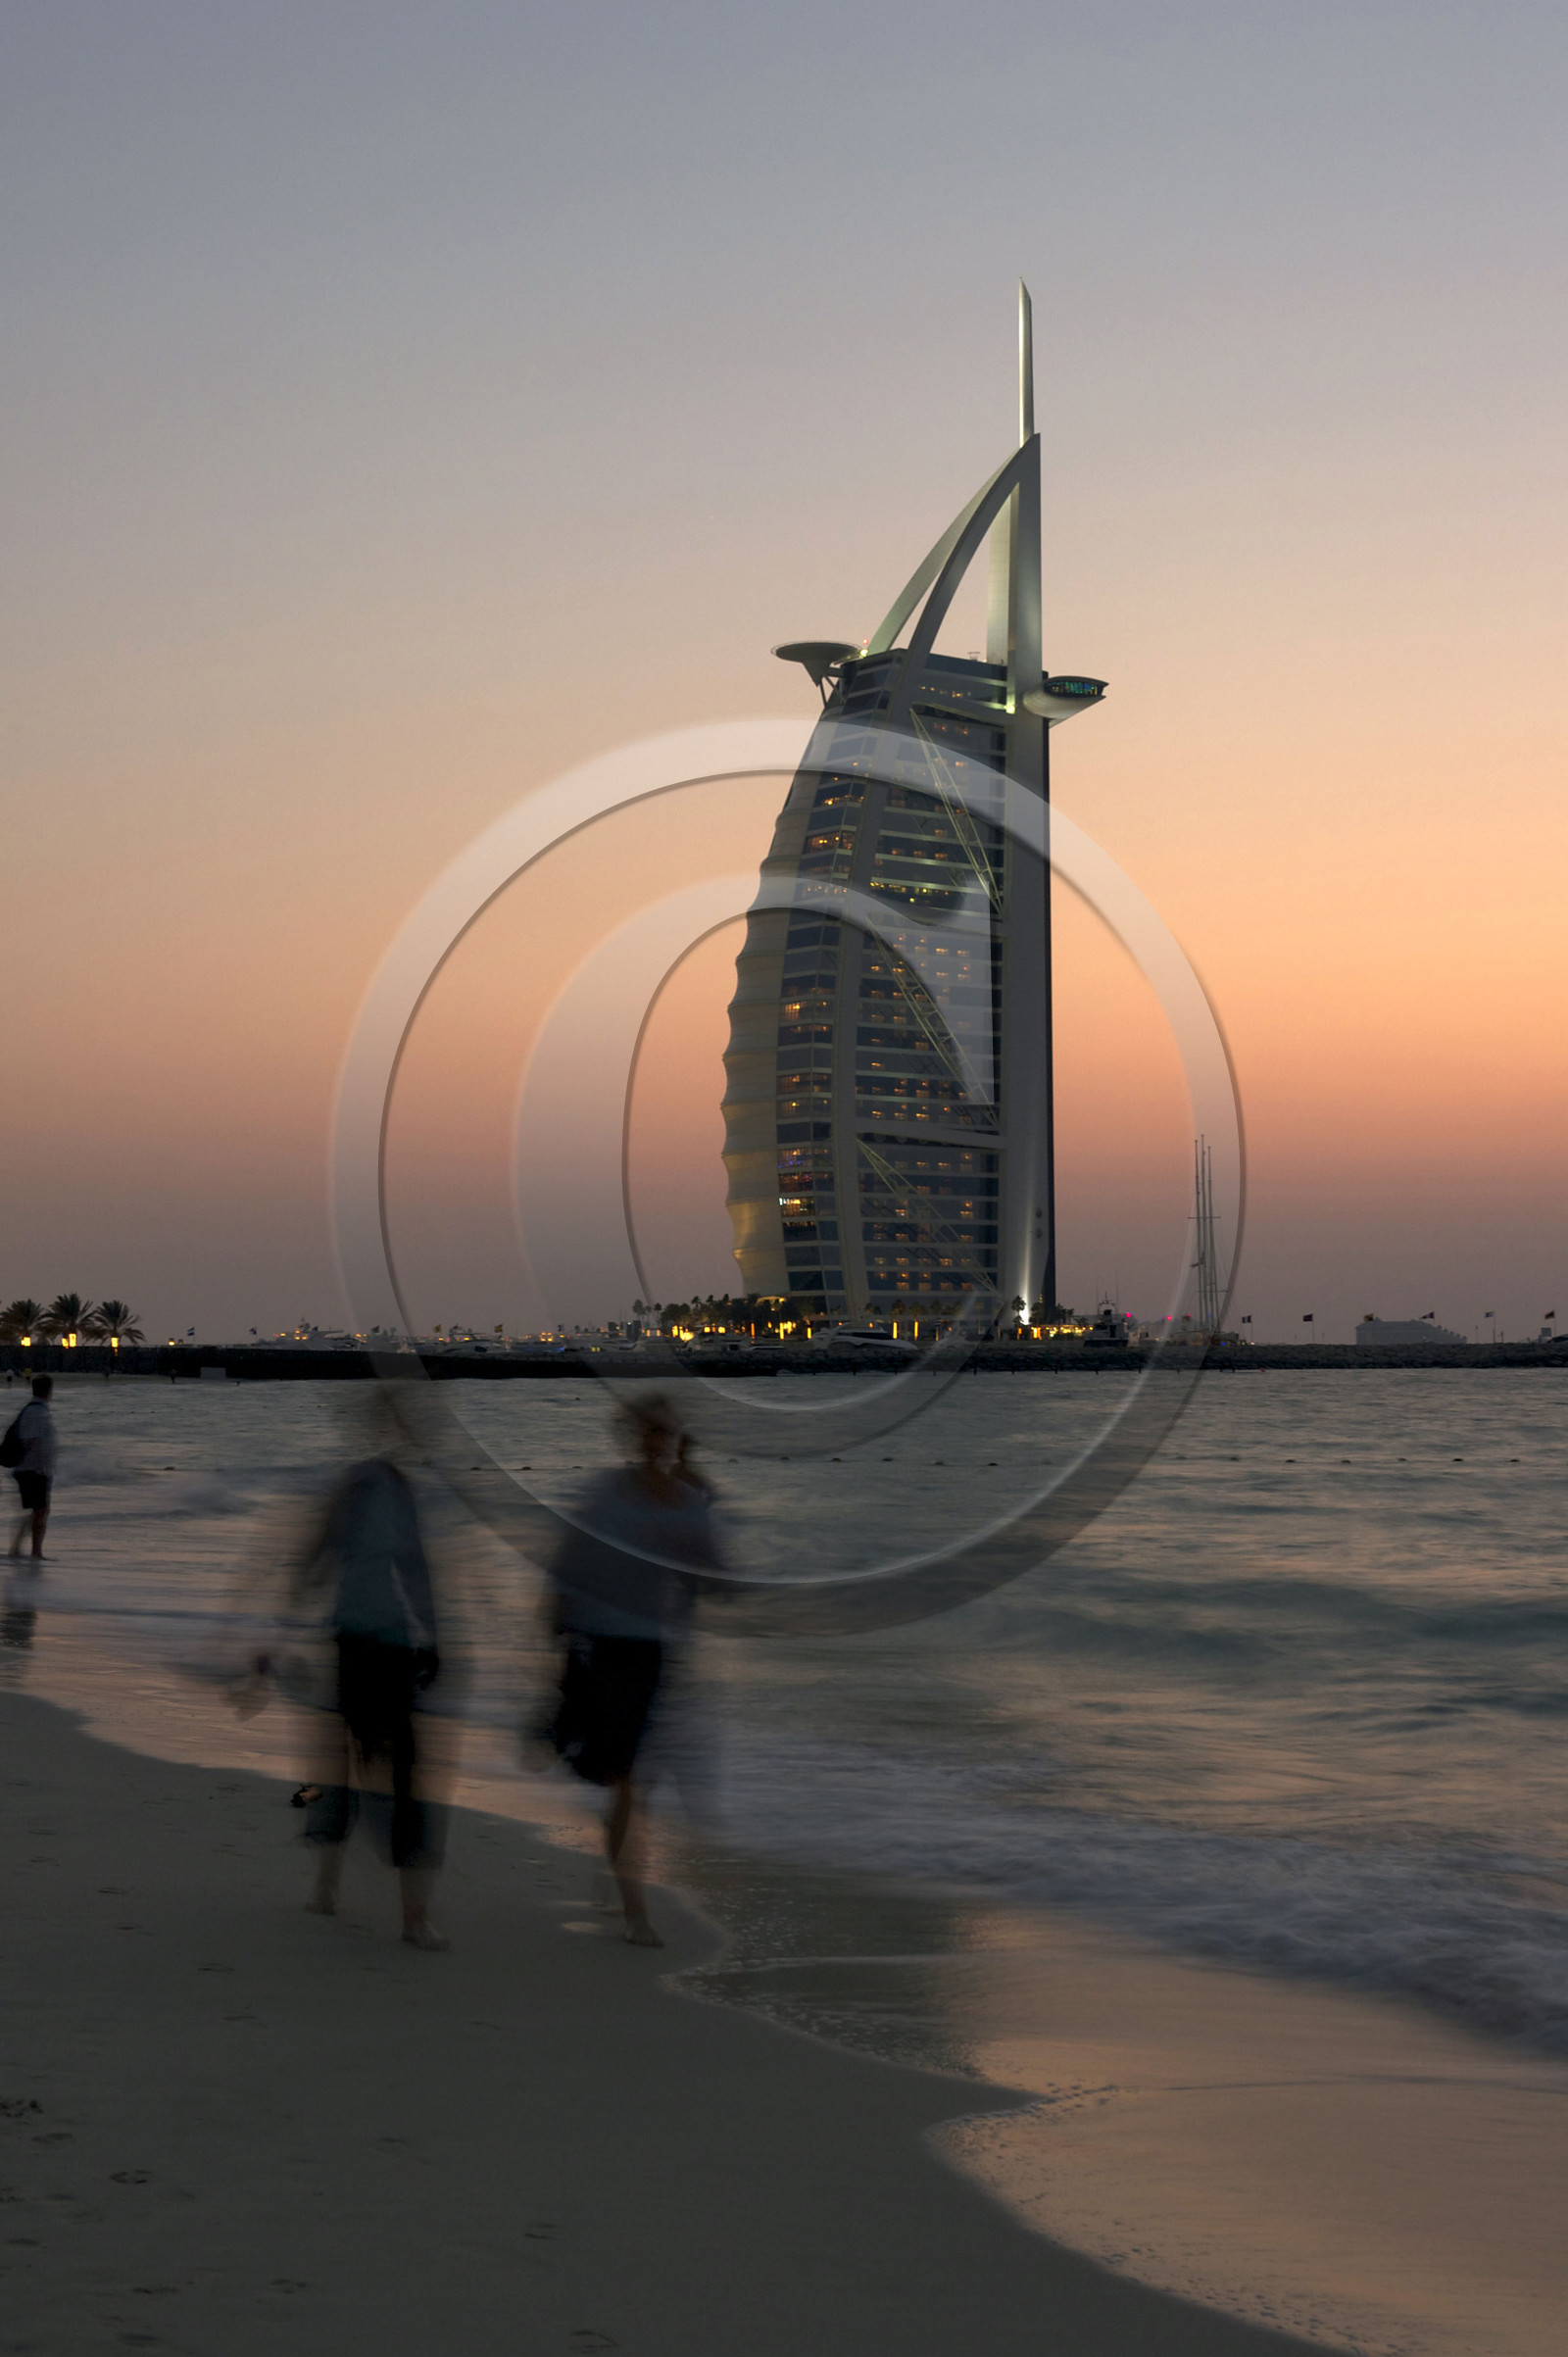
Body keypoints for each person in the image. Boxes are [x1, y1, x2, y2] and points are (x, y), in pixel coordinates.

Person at [543, 1394, 721, 1947]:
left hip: (654, 1651)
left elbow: (714, 1575)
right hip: (598, 1644)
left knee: (633, 1779)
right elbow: (567, 1563)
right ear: (632, 1436)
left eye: (663, 1432)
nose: (654, 1442)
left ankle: (623, 1884)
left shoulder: (688, 1501)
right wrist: (552, 1628)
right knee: (622, 1777)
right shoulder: (603, 1494)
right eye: (646, 1432)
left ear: (674, 1440)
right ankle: (634, 1911)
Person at [285, 1408, 450, 1951]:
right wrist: (284, 1623)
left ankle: (411, 1915)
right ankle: (328, 1880)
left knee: (401, 1772)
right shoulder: (356, 1486)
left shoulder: (405, 1489)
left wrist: (433, 1635)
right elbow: (316, 1553)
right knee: (338, 1769)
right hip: (353, 1644)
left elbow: (417, 1567)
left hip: (395, 1645)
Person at [7, 1375, 56, 1563]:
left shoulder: (35, 1410)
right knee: (40, 1511)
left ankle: (20, 1549)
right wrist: (40, 1468)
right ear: (48, 1390)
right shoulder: (36, 1412)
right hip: (33, 1470)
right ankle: (34, 1551)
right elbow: (31, 1441)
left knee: (39, 1511)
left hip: (32, 1469)